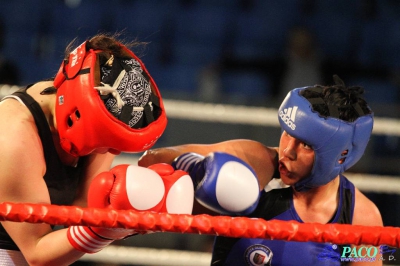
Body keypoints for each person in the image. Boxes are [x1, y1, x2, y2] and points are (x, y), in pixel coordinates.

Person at [138, 75, 383, 265]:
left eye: (306, 145)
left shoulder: (361, 218)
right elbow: (151, 161)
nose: (288, 151)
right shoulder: (255, 162)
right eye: (288, 133)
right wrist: (197, 168)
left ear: (340, 156)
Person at [0, 33, 195, 265]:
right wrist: (108, 228)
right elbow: (38, 252)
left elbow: (82, 211)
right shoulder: (13, 136)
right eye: (106, 140)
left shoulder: (101, 111)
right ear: (76, 113)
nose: (109, 151)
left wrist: (132, 219)